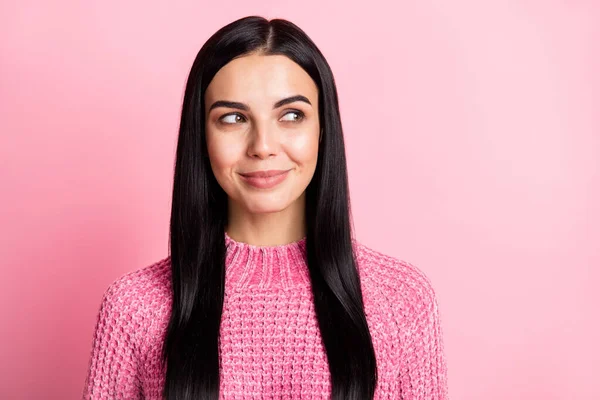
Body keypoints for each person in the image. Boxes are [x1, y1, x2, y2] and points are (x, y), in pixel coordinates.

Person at [82, 15, 449, 400]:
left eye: (291, 115)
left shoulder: (402, 301)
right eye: (233, 118)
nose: (263, 145)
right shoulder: (134, 309)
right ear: (201, 136)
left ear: (323, 130)